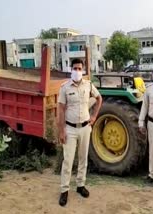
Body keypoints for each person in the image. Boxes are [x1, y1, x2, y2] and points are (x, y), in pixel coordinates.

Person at [57, 58, 102, 207]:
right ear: (71, 70)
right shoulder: (65, 88)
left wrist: (94, 116)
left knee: (83, 158)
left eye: (79, 69)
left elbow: (99, 98)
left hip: (85, 128)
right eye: (75, 68)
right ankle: (64, 190)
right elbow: (61, 110)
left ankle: (80, 185)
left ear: (83, 70)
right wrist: (61, 131)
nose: (77, 71)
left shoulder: (88, 85)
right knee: (68, 160)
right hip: (70, 129)